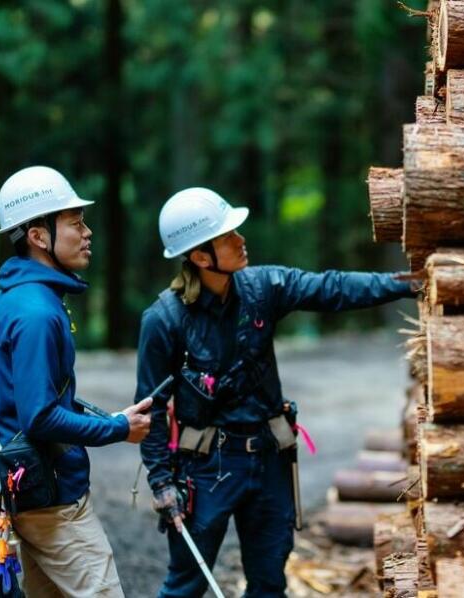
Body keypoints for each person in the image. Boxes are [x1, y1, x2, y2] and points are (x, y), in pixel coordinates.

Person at [135, 187, 416, 597]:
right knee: (186, 586)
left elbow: (332, 288)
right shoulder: (164, 320)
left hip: (269, 462)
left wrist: (404, 284)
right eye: (228, 235)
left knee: (269, 584)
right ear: (200, 256)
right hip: (205, 470)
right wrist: (161, 483)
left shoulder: (263, 287)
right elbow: (151, 408)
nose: (241, 239)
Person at [0, 165, 153, 597]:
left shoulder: (17, 298)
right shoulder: (37, 313)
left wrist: (110, 418)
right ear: (39, 236)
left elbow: (39, 399)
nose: (87, 232)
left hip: (32, 490)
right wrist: (118, 429)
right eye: (75, 222)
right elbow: (39, 417)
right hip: (53, 501)